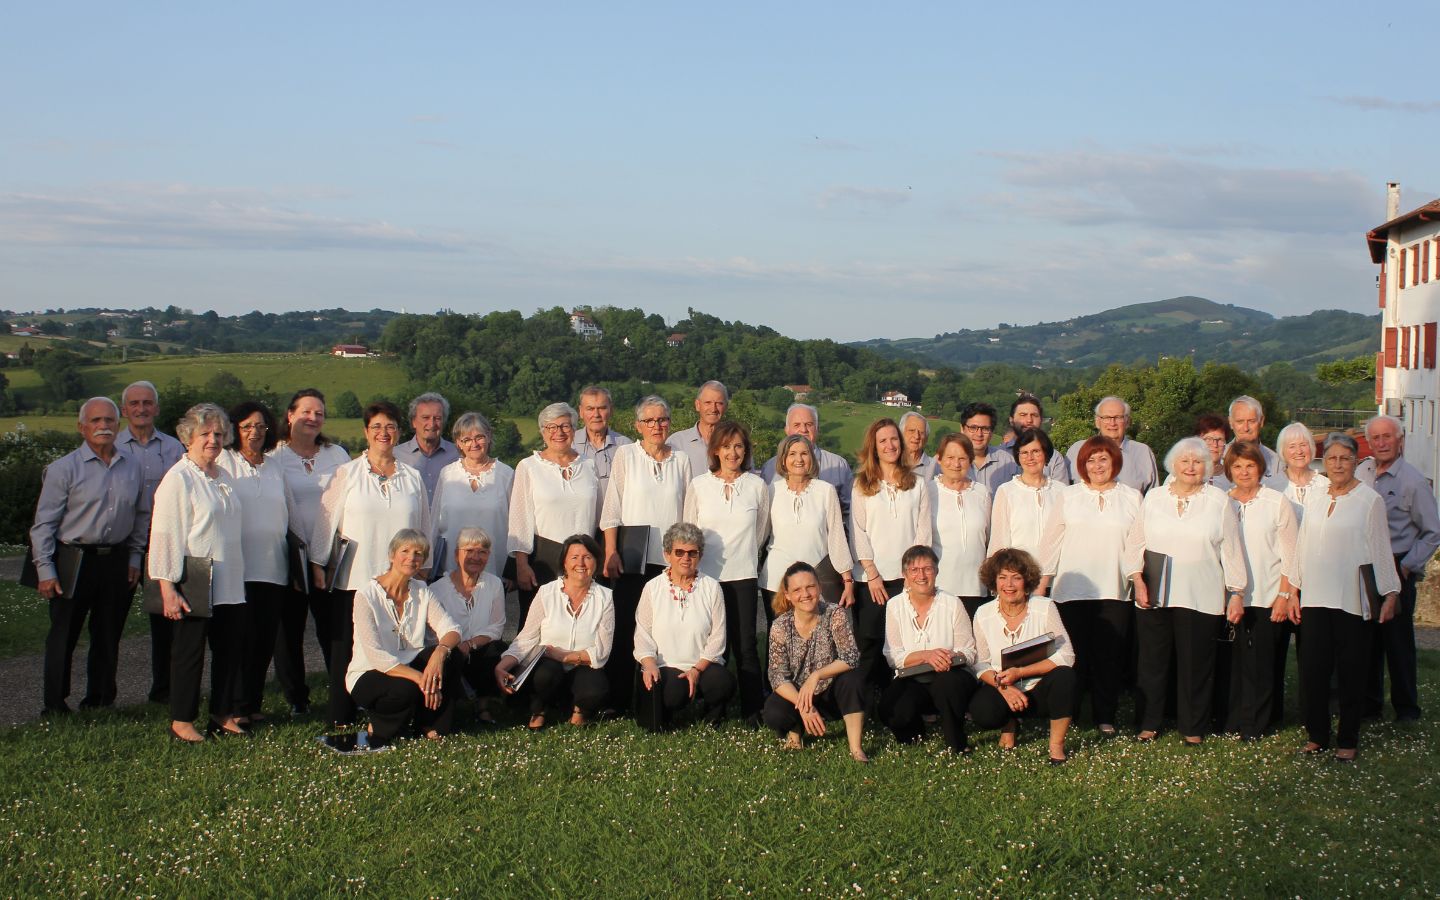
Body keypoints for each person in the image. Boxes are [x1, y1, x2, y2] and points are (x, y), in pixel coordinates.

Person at [310, 400, 432, 728]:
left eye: (390, 426)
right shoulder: (347, 473)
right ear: (366, 432)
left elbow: (424, 525)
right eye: (376, 426)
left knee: (395, 646)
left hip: (399, 582)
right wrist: (318, 563)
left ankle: (389, 704)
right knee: (346, 647)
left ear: (399, 432)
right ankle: (341, 714)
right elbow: (326, 521)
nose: (383, 432)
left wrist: (425, 566)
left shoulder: (411, 477)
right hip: (355, 577)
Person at [30, 397, 150, 714]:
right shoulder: (63, 469)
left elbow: (141, 516)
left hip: (116, 560)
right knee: (64, 635)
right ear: (81, 427)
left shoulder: (133, 466)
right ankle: (55, 704)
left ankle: (100, 699)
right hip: (73, 560)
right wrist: (45, 570)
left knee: (108, 633)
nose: (103, 426)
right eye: (96, 421)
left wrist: (135, 558)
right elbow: (43, 525)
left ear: (118, 425)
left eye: (109, 420)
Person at [1291, 433, 1399, 761]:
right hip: (1315, 598)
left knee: (1352, 672)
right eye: (1332, 458)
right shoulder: (1315, 497)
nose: (1338, 464)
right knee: (1314, 670)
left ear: (1355, 462)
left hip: (1351, 598)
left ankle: (1347, 740)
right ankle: (1317, 735)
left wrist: (1390, 592)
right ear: (1324, 462)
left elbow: (1381, 548)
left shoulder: (1369, 500)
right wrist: (1292, 589)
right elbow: (1302, 544)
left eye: (1345, 458)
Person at [1133, 437, 1247, 745]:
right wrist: (1136, 579)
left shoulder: (1218, 500)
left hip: (1201, 594)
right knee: (1153, 663)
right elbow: (1135, 542)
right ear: (1173, 464)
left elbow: (1231, 549)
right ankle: (1149, 722)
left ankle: (1193, 726)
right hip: (1156, 594)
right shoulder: (1154, 497)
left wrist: (1236, 592)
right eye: (1184, 461)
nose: (1191, 467)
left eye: (1197, 462)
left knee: (1196, 664)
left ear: (1207, 466)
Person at [148, 403, 246, 742]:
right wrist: (167, 586)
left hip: (230, 578)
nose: (213, 440)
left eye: (218, 434)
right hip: (195, 579)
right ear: (188, 437)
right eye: (205, 433)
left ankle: (222, 714)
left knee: (229, 651)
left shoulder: (224, 477)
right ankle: (182, 720)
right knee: (189, 653)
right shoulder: (179, 478)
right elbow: (165, 534)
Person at [1038, 435, 1143, 736]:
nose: (1097, 466)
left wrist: (1137, 579)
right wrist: (1042, 585)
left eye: (1103, 459)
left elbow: (1137, 544)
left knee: (1109, 658)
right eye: (1091, 460)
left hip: (1114, 589)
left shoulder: (1132, 497)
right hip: (1071, 591)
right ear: (1082, 465)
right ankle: (1068, 714)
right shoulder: (1069, 496)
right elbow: (1052, 542)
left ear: (1115, 462)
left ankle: (1104, 716)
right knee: (1073, 657)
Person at [601, 395, 692, 709]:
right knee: (626, 625)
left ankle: (654, 700)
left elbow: (687, 512)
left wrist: (685, 557)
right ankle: (619, 699)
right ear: (638, 425)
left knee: (662, 631)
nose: (657, 426)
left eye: (662, 419)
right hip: (632, 557)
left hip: (669, 561)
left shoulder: (681, 460)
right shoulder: (626, 455)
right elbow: (612, 507)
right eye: (649, 420)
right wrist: (610, 551)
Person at [269, 388, 352, 716]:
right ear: (290, 415)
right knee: (288, 629)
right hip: (289, 553)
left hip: (329, 555)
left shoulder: (336, 455)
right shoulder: (274, 456)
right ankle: (297, 698)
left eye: (319, 413)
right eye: (306, 411)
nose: (313, 418)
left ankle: (342, 692)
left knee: (334, 628)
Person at [682, 420, 769, 722]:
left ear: (746, 451)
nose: (733, 453)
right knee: (711, 645)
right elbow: (689, 531)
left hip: (743, 575)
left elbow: (761, 532)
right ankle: (713, 708)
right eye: (726, 446)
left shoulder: (757, 486)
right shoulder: (699, 486)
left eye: (739, 446)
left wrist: (744, 555)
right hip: (707, 578)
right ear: (715, 450)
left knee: (745, 645)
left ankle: (753, 709)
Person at [346, 529, 463, 746]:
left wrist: (439, 653)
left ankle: (428, 722)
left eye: (418, 553)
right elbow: (375, 655)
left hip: (409, 665)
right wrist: (421, 678)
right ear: (392, 555)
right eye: (405, 551)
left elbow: (452, 629)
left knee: (452, 656)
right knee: (405, 689)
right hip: (370, 672)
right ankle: (380, 725)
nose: (412, 558)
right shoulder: (366, 595)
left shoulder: (422, 591)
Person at [218, 400, 295, 727]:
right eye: (247, 426)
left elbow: (288, 510)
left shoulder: (274, 466)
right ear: (235, 429)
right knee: (239, 639)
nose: (255, 432)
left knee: (264, 640)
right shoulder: (225, 462)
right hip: (238, 568)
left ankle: (252, 703)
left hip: (273, 566)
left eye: (261, 426)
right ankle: (234, 705)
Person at [1362, 415, 1439, 722]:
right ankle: (1370, 706)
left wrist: (1407, 566)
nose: (1381, 443)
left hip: (1397, 563)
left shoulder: (1412, 481)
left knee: (1398, 642)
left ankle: (1406, 709)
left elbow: (1432, 532)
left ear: (1400, 441)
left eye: (1387, 437)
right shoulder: (1363, 472)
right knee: (1368, 640)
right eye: (1376, 438)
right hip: (1367, 564)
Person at [969, 548, 1077, 763]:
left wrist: (1020, 672)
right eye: (1002, 577)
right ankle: (1009, 724)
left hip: (1038, 686)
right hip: (1002, 686)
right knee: (983, 712)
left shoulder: (1045, 607)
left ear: (1027, 581)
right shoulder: (983, 613)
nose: (1009, 585)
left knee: (1065, 677)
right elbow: (980, 663)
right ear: (994, 581)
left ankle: (1056, 746)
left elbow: (1067, 655)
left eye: (1016, 578)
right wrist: (1004, 688)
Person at [496, 534, 614, 729]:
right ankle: (539, 709)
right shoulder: (546, 592)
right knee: (545, 675)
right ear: (564, 562)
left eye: (587, 557)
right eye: (574, 557)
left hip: (581, 665)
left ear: (596, 562)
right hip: (548, 666)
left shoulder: (605, 597)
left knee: (595, 688)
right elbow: (527, 637)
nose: (581, 563)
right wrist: (502, 666)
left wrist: (563, 656)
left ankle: (579, 711)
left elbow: (601, 652)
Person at [1222, 441, 1298, 741]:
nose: (1244, 472)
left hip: (1267, 594)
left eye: (1250, 466)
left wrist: (1284, 595)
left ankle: (1256, 724)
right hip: (1231, 596)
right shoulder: (1222, 502)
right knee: (1234, 662)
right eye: (1237, 466)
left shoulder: (1276, 502)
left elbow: (1291, 554)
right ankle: (1233, 719)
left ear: (1260, 469)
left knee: (1261, 663)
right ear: (1229, 470)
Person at [851, 418, 933, 689]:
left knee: (902, 643)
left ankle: (898, 697)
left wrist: (913, 576)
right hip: (871, 579)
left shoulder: (917, 484)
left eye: (894, 439)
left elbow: (923, 533)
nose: (890, 445)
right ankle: (865, 701)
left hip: (906, 579)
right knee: (870, 643)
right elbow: (858, 531)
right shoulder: (862, 485)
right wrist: (872, 574)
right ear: (873, 447)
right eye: (883, 441)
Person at [116, 380, 184, 705]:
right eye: (134, 403)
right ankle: (101, 697)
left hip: (164, 544)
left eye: (147, 403)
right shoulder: (112, 447)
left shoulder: (174, 449)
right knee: (110, 623)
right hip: (124, 545)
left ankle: (164, 691)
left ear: (156, 408)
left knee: (165, 622)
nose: (141, 409)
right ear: (124, 409)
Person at [633, 523, 735, 730]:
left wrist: (696, 670)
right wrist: (650, 664)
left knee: (722, 682)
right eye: (679, 552)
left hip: (702, 665)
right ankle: (669, 713)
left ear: (700, 556)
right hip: (665, 665)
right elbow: (642, 634)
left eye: (692, 553)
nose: (686, 558)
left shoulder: (712, 587)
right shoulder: (652, 588)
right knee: (672, 695)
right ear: (667, 554)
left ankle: (712, 716)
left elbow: (717, 637)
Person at [763, 561, 868, 761]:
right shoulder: (780, 626)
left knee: (853, 679)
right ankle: (795, 732)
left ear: (819, 587)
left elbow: (851, 656)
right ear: (788, 595)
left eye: (810, 586)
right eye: (797, 590)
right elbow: (777, 675)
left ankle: (856, 748)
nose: (805, 594)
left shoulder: (834, 613)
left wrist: (816, 675)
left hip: (830, 690)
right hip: (798, 693)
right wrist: (804, 706)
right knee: (774, 712)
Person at [877, 545, 978, 754]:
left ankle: (956, 742)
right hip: (913, 678)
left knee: (947, 683)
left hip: (949, 674)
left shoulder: (952, 603)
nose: (921, 575)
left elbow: (969, 651)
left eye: (927, 569)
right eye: (914, 570)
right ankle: (915, 733)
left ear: (937, 571)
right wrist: (926, 656)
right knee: (891, 709)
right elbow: (893, 657)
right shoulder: (895, 606)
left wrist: (951, 656)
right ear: (905, 574)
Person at [509, 402, 600, 622]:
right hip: (543, 562)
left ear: (574, 430)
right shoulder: (528, 467)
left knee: (580, 623)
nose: (559, 432)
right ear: (542, 431)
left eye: (565, 426)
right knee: (539, 626)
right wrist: (521, 565)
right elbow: (519, 520)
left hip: (583, 564)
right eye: (551, 427)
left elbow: (597, 516)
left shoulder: (589, 465)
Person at [759, 434, 855, 611]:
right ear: (783, 459)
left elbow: (837, 537)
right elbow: (760, 535)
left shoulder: (826, 491)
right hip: (776, 582)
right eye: (792, 454)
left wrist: (847, 580)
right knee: (780, 629)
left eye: (804, 453)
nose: (799, 459)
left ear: (812, 458)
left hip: (817, 582)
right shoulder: (771, 491)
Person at [429, 527, 507, 723]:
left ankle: (483, 707)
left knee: (497, 649)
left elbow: (497, 627)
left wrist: (470, 644)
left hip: (478, 648)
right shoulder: (437, 589)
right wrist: (455, 646)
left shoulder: (494, 584)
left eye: (482, 552)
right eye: (469, 551)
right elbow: (432, 633)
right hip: (449, 650)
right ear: (457, 555)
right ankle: (448, 705)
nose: (476, 557)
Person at [430, 411, 514, 581]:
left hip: (495, 568)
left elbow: (516, 524)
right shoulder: (447, 474)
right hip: (452, 570)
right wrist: (427, 563)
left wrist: (514, 570)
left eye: (479, 437)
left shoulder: (506, 474)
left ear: (489, 437)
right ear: (458, 443)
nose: (474, 444)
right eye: (466, 439)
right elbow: (434, 523)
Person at [929, 433, 991, 619]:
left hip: (977, 587)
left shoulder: (982, 493)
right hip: (940, 586)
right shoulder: (928, 491)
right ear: (939, 459)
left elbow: (989, 538)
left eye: (962, 458)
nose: (956, 464)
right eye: (950, 457)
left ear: (970, 461)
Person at [758, 403, 854, 523]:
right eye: (797, 425)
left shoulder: (839, 465)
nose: (803, 430)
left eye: (809, 424)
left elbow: (850, 512)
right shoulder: (770, 468)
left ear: (817, 429)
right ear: (786, 430)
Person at [988, 428, 1059, 562]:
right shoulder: (1006, 491)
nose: (1030, 458)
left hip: (1056, 571)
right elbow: (998, 541)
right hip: (1019, 570)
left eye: (1036, 451)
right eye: (1024, 453)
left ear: (1046, 453)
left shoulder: (1061, 491)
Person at [1064, 396, 1158, 495]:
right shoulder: (1077, 450)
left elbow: (1153, 497)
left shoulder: (1143, 452)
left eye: (1118, 417)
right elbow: (1064, 492)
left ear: (1127, 422)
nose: (1112, 423)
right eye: (1106, 418)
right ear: (1097, 422)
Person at [571, 385, 632, 511]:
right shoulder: (570, 445)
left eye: (602, 408)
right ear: (581, 412)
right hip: (579, 520)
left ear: (611, 410)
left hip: (617, 521)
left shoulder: (626, 446)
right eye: (590, 409)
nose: (596, 414)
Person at [396, 392, 459, 501]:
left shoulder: (458, 455)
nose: (432, 424)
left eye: (437, 418)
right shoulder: (396, 456)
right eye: (425, 417)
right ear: (413, 422)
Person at [1002, 393, 1070, 484]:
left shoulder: (1054, 458)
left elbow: (1060, 491)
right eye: (1023, 415)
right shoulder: (998, 456)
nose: (1029, 420)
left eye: (1034, 415)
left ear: (1041, 420)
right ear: (1011, 420)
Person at [667, 380, 728, 477]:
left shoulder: (737, 443)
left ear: (726, 407)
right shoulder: (676, 442)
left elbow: (748, 479)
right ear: (697, 405)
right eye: (708, 403)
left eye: (719, 403)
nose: (713, 409)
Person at [1226, 396, 1287, 491]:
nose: (1246, 428)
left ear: (1261, 421)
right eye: (1240, 422)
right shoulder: (1218, 458)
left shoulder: (1276, 462)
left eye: (1251, 421)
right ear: (1230, 422)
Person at [960, 402, 1018, 495]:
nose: (979, 434)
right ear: (962, 429)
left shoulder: (1008, 462)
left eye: (985, 429)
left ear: (992, 432)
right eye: (973, 428)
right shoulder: (946, 462)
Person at [1275, 422, 1326, 520]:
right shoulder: (1273, 487)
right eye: (1292, 446)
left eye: (1303, 445)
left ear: (1311, 448)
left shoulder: (1326, 486)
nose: (1299, 451)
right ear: (1282, 451)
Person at [1194, 414, 1232, 487]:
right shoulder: (1184, 474)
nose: (1215, 445)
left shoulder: (1234, 477)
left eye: (1220, 440)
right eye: (1208, 439)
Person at [899, 411, 938, 479]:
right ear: (901, 433)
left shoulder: (936, 467)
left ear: (926, 438)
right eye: (911, 431)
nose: (917, 436)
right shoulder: (891, 463)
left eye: (921, 432)